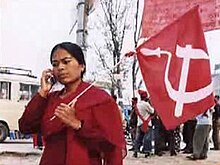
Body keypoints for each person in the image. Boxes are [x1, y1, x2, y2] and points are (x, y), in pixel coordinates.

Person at [19, 42, 126, 165]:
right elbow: (25, 127)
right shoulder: (51, 99)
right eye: (55, 64)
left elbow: (111, 146)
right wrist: (42, 93)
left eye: (66, 61)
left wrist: (78, 125)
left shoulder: (99, 99)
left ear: (82, 66)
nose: (60, 68)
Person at [133, 90, 154, 158]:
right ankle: (147, 151)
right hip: (147, 123)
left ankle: (136, 150)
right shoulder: (146, 104)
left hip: (139, 123)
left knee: (138, 138)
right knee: (147, 138)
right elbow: (152, 111)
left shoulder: (137, 105)